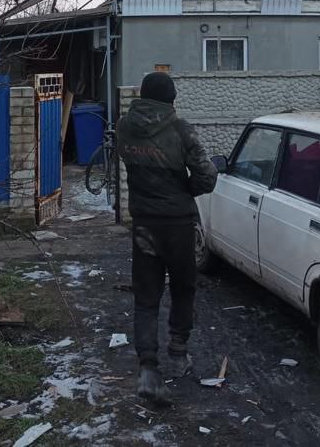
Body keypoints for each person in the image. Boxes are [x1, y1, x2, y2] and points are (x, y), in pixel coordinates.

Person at [116, 71, 218, 406]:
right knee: (183, 288)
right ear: (171, 98)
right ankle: (178, 351)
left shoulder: (124, 127)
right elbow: (207, 176)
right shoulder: (180, 129)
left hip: (144, 225)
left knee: (146, 297)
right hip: (177, 225)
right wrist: (185, 191)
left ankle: (148, 368)